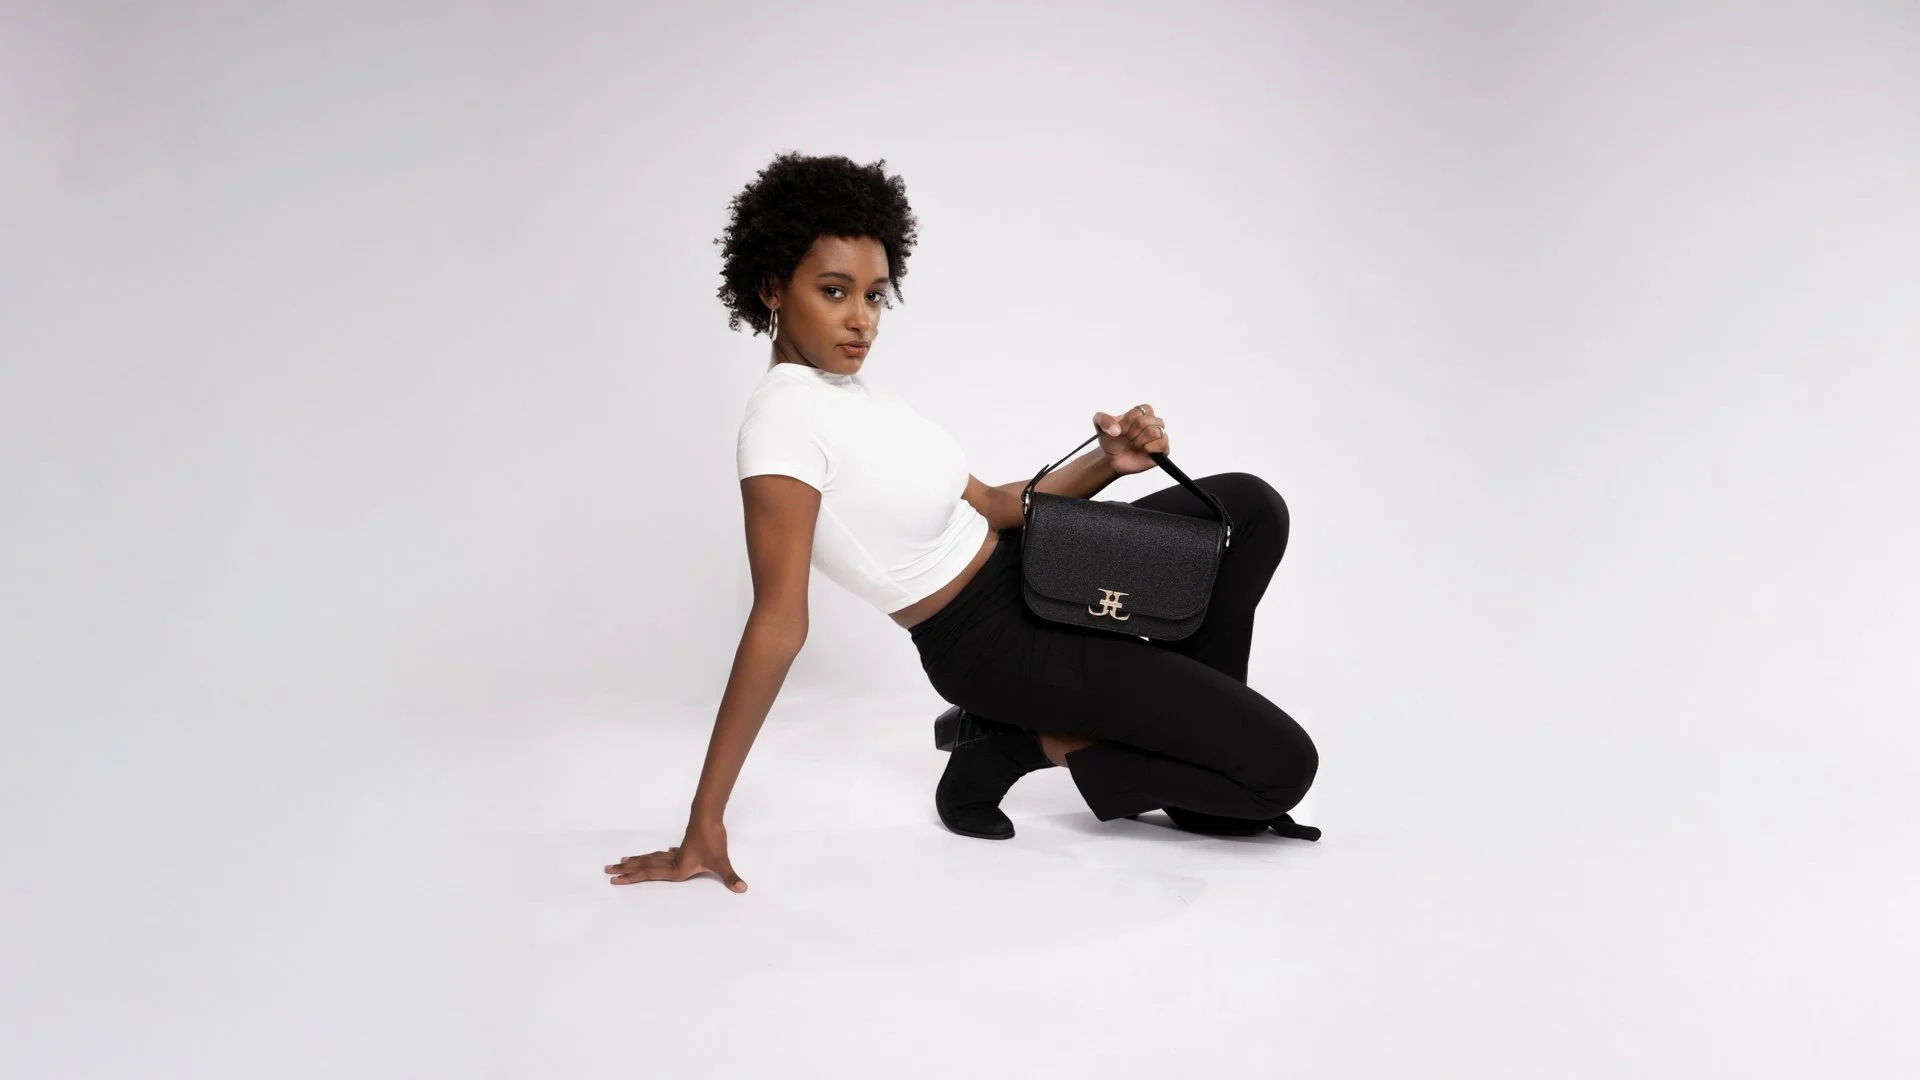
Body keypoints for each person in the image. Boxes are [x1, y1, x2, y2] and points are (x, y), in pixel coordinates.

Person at [605, 152, 1319, 892]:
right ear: (770, 290)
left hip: (1034, 566)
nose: (861, 319)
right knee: (1280, 773)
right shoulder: (782, 426)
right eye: (833, 291)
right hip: (991, 644)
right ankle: (1018, 746)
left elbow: (998, 507)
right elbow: (778, 623)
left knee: (1248, 509)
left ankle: (1191, 732)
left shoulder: (860, 397)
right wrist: (704, 821)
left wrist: (1107, 462)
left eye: (875, 295)